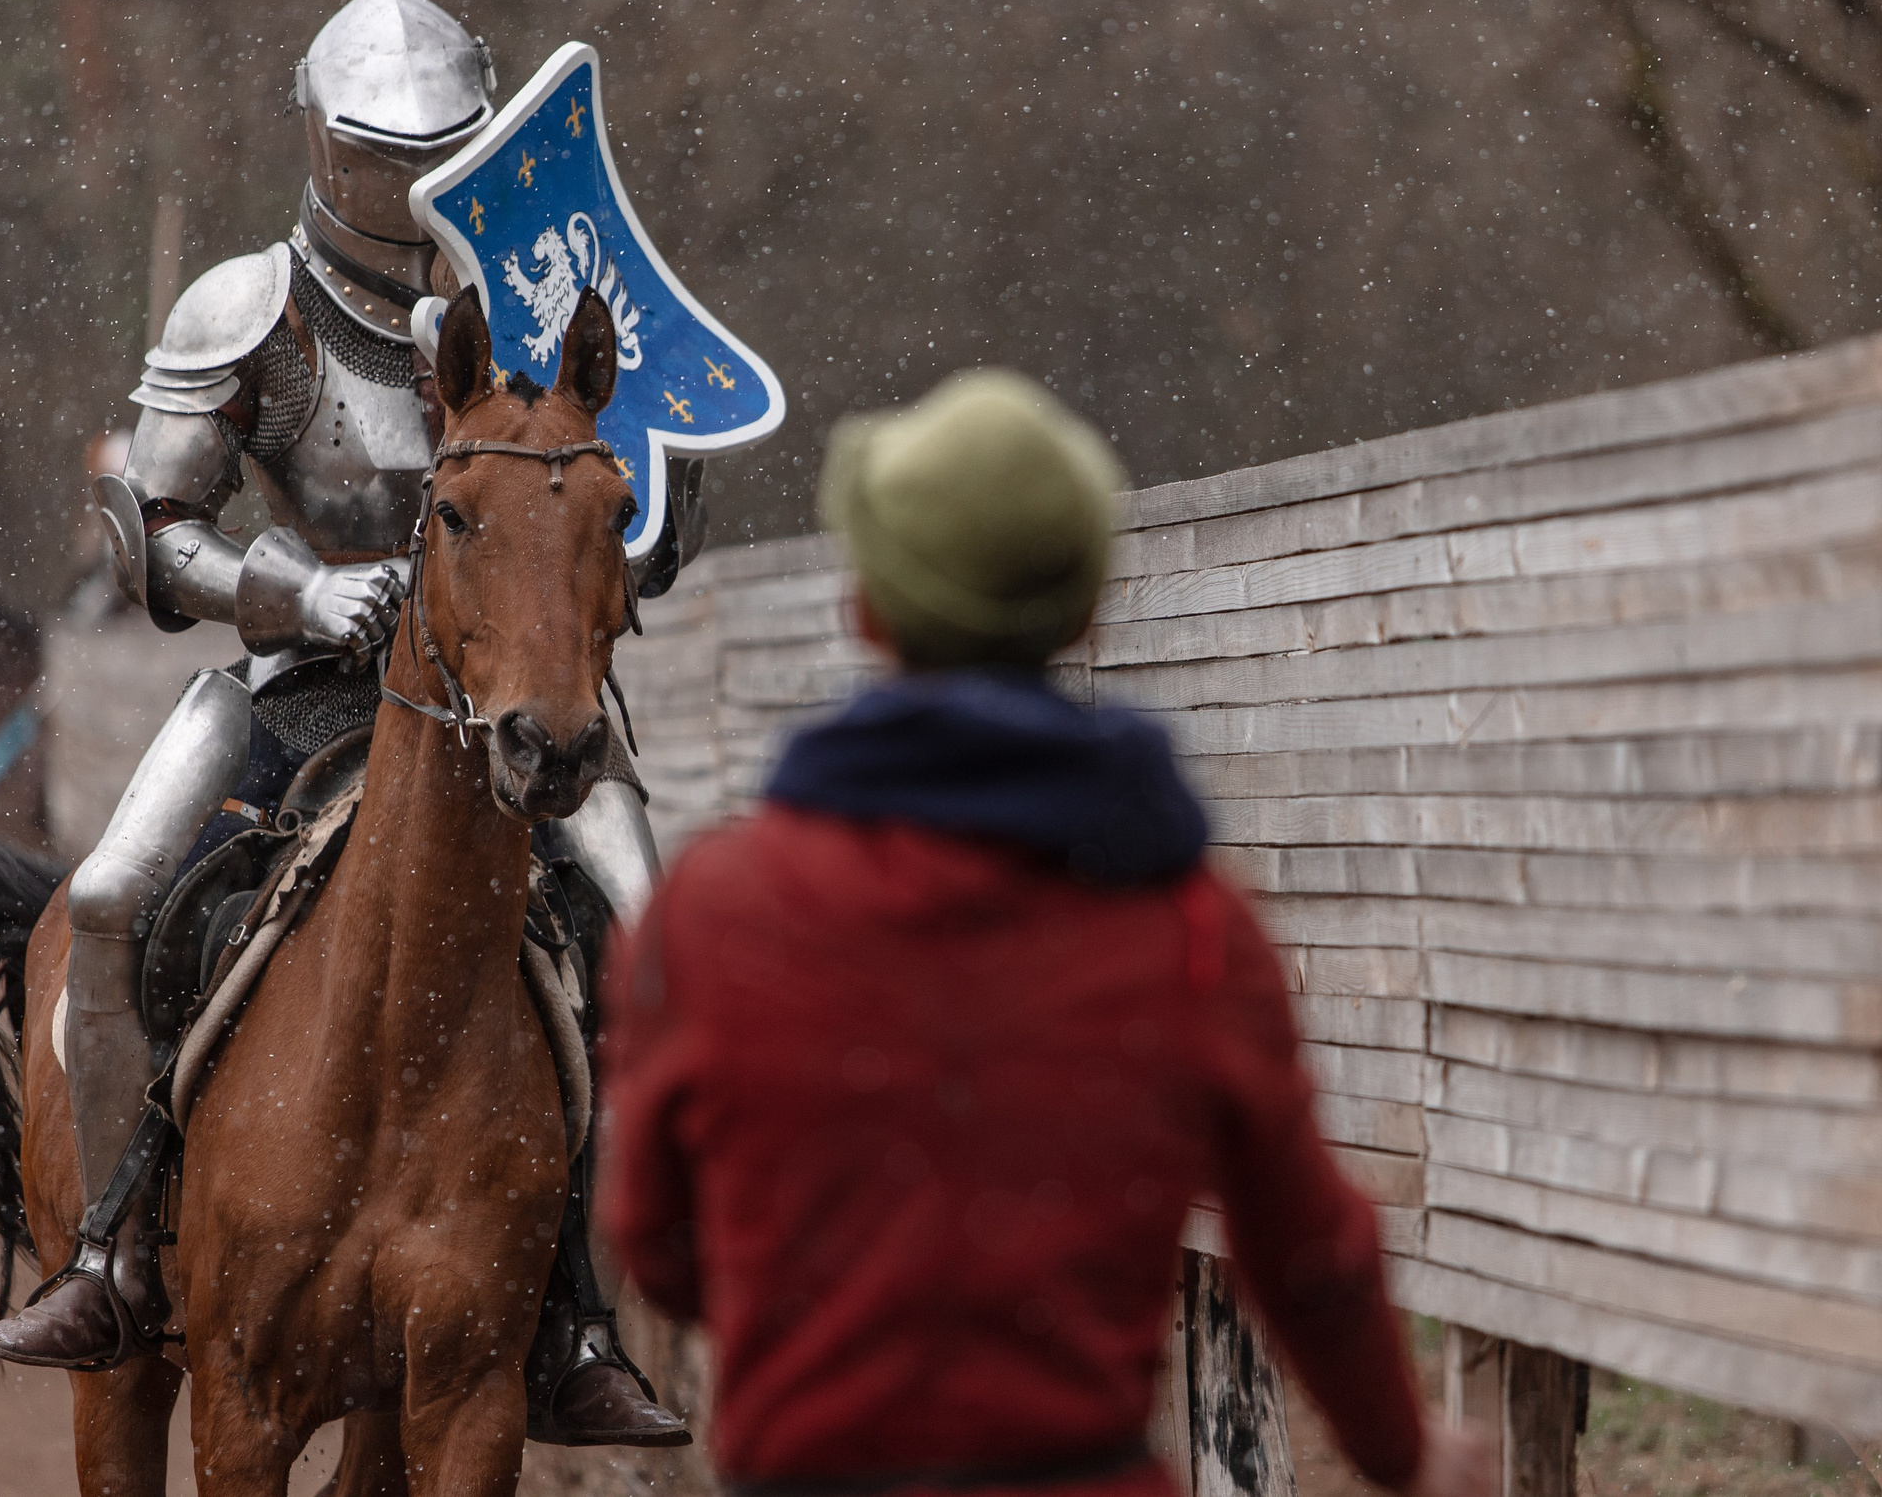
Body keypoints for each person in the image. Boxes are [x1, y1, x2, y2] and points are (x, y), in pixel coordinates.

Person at [0, 0, 695, 1449]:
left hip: (501, 688)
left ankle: (574, 1311)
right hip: (296, 684)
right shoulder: (246, 306)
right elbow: (150, 531)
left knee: (646, 929)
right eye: (371, 155)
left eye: (425, 154)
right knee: (112, 894)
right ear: (320, 139)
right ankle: (115, 1249)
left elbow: (631, 532)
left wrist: (657, 496)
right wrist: (296, 594)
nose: (394, 185)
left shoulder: (542, 313)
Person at [605, 372, 1496, 1497]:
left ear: (865, 612)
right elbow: (1309, 1257)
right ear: (1084, 614)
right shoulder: (1192, 930)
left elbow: (660, 1250)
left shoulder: (711, 913)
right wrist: (1404, 1452)